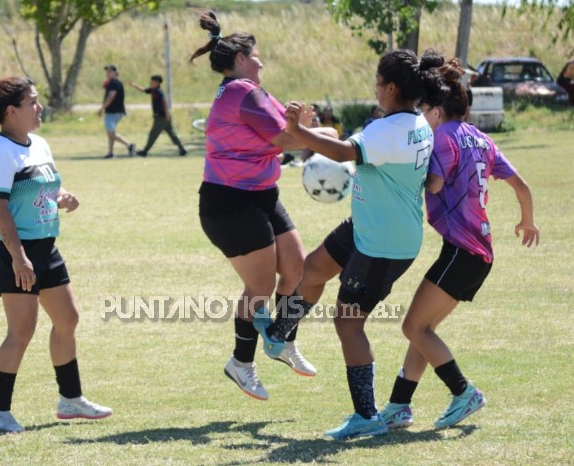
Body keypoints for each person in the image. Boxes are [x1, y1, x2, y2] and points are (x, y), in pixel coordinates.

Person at [254, 49, 449, 439]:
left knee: (347, 322)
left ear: (391, 88)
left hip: (383, 244)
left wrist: (297, 130)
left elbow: (344, 152)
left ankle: (367, 415)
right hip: (369, 226)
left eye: (377, 83)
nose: (375, 90)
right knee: (312, 269)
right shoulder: (417, 123)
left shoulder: (388, 130)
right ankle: (279, 335)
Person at [379, 58, 539, 430]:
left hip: (462, 252)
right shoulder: (480, 137)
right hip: (478, 253)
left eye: (423, 112)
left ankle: (463, 392)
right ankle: (399, 406)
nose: (421, 119)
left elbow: (432, 185)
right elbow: (522, 185)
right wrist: (527, 220)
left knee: (414, 328)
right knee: (423, 329)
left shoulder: (445, 138)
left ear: (436, 111)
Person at [189, 10, 336, 400]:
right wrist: (327, 135)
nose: (261, 61)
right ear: (240, 59)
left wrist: (302, 124)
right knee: (259, 285)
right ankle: (241, 363)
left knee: (296, 272)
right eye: (256, 55)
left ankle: (281, 338)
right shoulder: (242, 91)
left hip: (261, 194)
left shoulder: (254, 91)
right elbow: (285, 141)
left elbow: (287, 133)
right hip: (229, 201)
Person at [0, 77, 112, 433]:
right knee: (22, 329)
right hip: (13, 248)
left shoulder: (39, 144)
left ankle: (70, 399)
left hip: (45, 245)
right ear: (11, 111)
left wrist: (64, 195)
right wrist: (18, 257)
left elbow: (46, 183)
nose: (40, 107)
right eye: (32, 102)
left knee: (68, 318)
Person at [131, 75, 187, 157]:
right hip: (164, 117)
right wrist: (134, 85)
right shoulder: (153, 90)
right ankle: (182, 149)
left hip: (161, 117)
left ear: (157, 83)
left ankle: (145, 151)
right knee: (172, 134)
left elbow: (164, 102)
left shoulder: (158, 91)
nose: (151, 83)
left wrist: (167, 114)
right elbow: (144, 90)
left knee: (153, 134)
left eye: (153, 82)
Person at [99, 64, 135, 158]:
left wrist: (102, 108)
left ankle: (129, 145)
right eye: (107, 72)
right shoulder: (113, 83)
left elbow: (111, 96)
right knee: (110, 133)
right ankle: (110, 152)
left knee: (111, 133)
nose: (107, 73)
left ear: (115, 72)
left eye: (110, 71)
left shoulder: (114, 83)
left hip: (113, 112)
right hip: (115, 112)